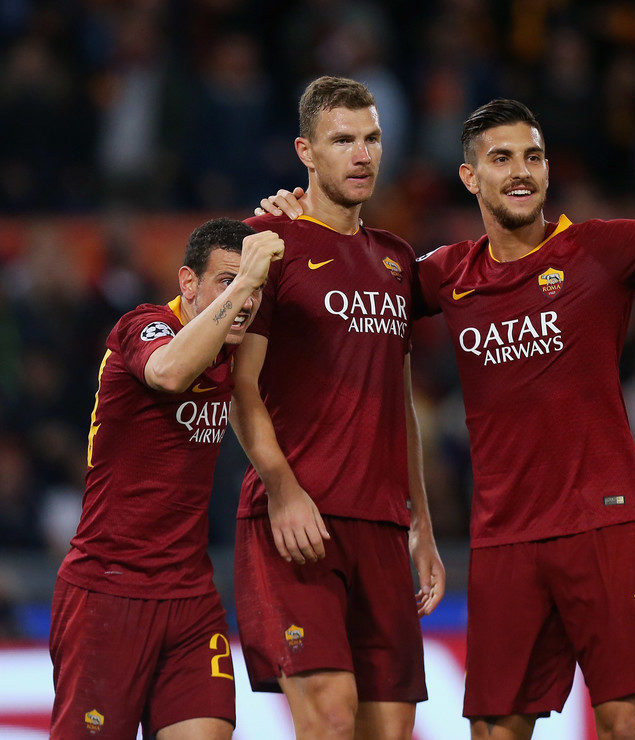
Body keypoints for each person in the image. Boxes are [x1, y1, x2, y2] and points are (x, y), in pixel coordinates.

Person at [259, 100, 635, 738]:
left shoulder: (598, 250)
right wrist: (301, 223)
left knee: (623, 719)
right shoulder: (445, 274)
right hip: (504, 538)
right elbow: (352, 279)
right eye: (501, 159)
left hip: (603, 520)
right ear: (470, 178)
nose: (521, 171)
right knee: (494, 728)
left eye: (533, 157)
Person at [231, 75, 444, 739]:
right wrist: (282, 489)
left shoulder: (397, 260)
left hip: (382, 526)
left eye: (372, 139)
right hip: (300, 523)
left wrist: (421, 523)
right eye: (343, 140)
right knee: (328, 716)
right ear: (306, 151)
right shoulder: (269, 243)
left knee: (390, 729)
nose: (362, 155)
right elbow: (240, 386)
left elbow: (400, 402)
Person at [50, 218, 284, 739]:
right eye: (227, 281)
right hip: (108, 589)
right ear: (188, 282)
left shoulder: (234, 350)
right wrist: (247, 281)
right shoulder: (144, 325)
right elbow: (170, 372)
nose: (245, 300)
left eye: (253, 288)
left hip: (191, 596)